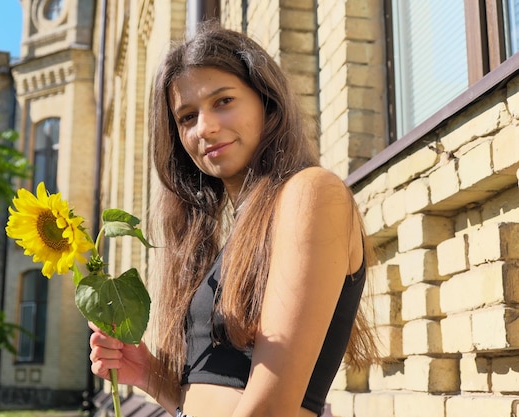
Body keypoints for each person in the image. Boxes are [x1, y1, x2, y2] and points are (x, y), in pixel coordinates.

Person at [89, 22, 377, 417]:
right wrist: (149, 374)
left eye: (223, 101)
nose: (204, 128)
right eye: (187, 117)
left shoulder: (311, 193)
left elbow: (271, 407)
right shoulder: (236, 234)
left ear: (265, 101)